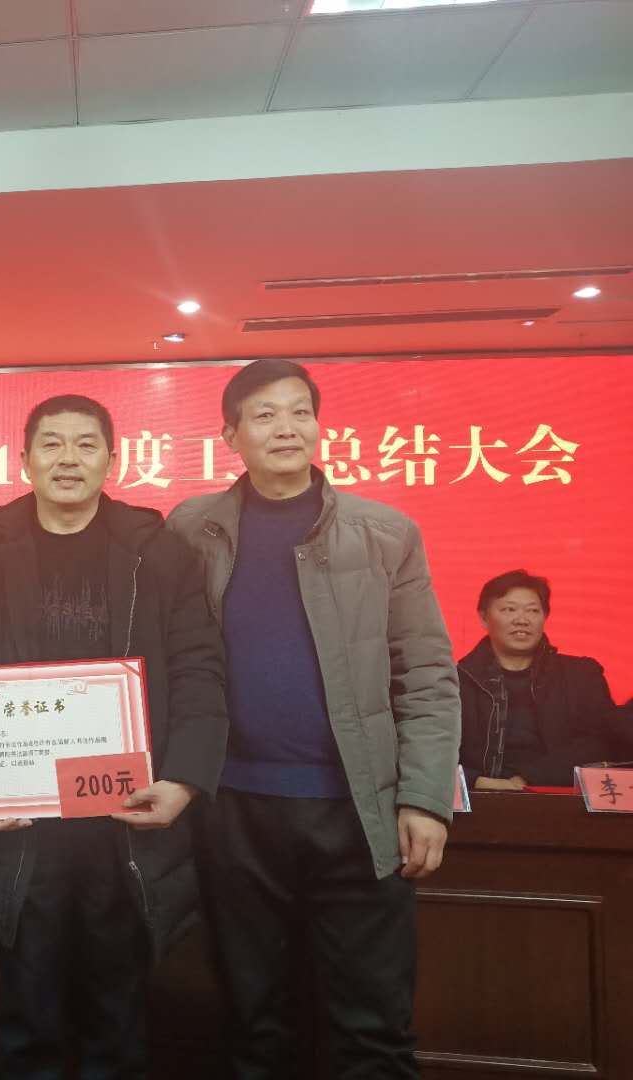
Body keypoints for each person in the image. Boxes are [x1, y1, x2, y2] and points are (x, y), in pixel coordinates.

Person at [166, 357, 460, 1079]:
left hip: (358, 810)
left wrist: (425, 798)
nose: (286, 428)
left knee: (373, 1027)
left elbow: (426, 672)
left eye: (300, 411)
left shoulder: (384, 531)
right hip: (234, 807)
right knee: (253, 1022)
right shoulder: (191, 528)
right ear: (230, 434)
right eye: (264, 415)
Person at [0, 394, 228, 1079]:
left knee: (118, 1020)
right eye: (51, 444)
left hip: (126, 824)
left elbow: (199, 667)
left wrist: (184, 780)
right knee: (28, 1019)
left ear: (112, 460)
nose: (68, 459)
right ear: (24, 459)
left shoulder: (157, 551)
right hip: (20, 827)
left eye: (86, 444)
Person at [459, 569, 617, 789]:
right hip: (478, 797)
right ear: (484, 618)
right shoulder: (456, 681)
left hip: (559, 797)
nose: (522, 620)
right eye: (509, 609)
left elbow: (602, 740)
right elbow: (431, 747)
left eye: (533, 610)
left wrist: (528, 779)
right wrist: (476, 781)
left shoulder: (582, 676)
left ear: (545, 617)